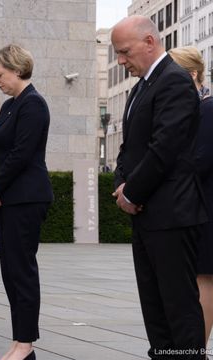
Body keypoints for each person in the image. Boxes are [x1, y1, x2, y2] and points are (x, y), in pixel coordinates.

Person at [111, 16, 207, 359]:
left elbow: (164, 148)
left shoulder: (175, 82)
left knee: (179, 307)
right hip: (149, 214)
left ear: (150, 42)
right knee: (154, 307)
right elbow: (129, 148)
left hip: (172, 214)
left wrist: (132, 193)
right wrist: (121, 182)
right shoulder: (142, 86)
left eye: (124, 52)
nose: (121, 61)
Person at [0, 44, 53, 360]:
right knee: (11, 271)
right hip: (11, 197)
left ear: (16, 69)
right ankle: (18, 341)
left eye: (0, 75)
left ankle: (26, 344)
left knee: (22, 270)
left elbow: (21, 153)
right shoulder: (12, 105)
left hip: (27, 198)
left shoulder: (33, 104)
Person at [169, 46, 213, 347]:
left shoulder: (206, 109)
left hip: (206, 208)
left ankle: (196, 349)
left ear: (191, 74)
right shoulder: (195, 108)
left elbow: (199, 160)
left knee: (204, 280)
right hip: (196, 207)